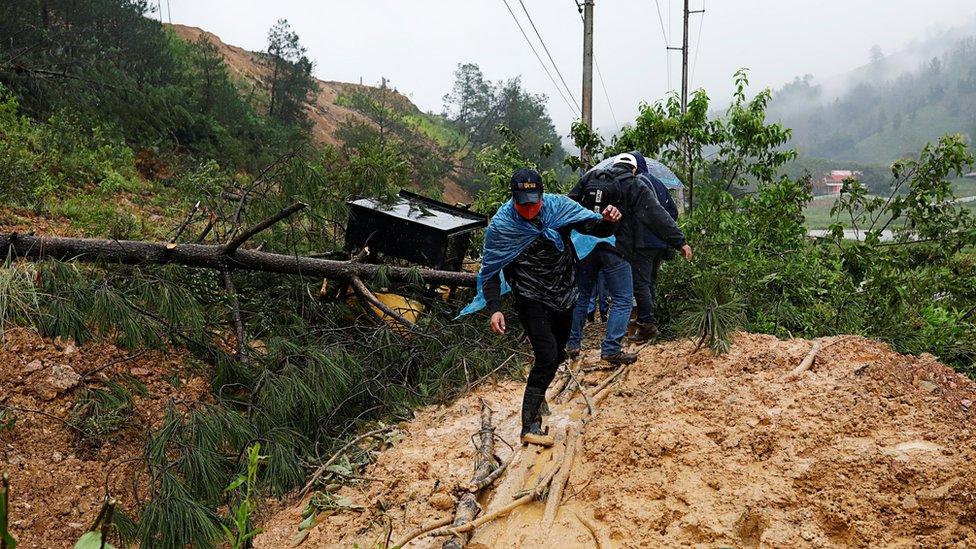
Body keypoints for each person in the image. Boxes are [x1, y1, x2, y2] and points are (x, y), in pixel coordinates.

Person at [458, 168, 621, 444]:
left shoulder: (559, 209)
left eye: (534, 202)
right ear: (514, 199)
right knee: (546, 355)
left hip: (564, 292)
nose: (530, 209)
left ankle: (539, 393)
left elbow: (594, 227)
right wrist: (495, 307)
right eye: (523, 204)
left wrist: (610, 220)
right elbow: (490, 271)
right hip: (529, 295)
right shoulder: (502, 226)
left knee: (557, 355)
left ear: (543, 196)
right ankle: (529, 425)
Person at [565, 154, 691, 363]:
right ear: (634, 169)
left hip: (585, 247)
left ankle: (572, 344)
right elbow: (656, 214)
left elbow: (568, 205)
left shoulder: (590, 177)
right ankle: (611, 349)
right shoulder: (634, 184)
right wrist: (680, 241)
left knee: (582, 295)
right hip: (616, 248)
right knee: (623, 299)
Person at [629, 152, 681, 342]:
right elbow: (672, 212)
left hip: (644, 243)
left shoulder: (637, 183)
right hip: (660, 243)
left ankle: (647, 325)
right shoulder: (658, 183)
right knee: (650, 281)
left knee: (641, 283)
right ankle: (649, 322)